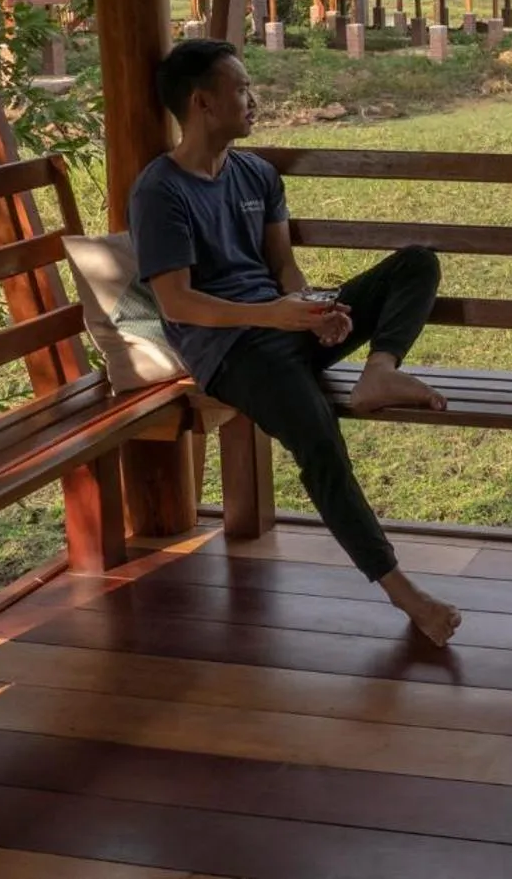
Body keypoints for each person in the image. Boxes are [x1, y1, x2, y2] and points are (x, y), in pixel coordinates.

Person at [131, 38, 461, 646]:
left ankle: (380, 369)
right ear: (202, 103)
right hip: (232, 351)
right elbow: (176, 302)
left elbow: (283, 268)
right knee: (321, 445)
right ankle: (405, 594)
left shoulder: (256, 173)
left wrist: (315, 311)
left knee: (416, 263)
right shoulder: (161, 192)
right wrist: (273, 318)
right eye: (241, 90)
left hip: (285, 325)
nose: (254, 99)